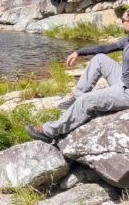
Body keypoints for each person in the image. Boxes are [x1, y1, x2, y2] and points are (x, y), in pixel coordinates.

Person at [25, 10, 129, 143]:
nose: (121, 23)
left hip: (126, 92)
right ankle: (77, 97)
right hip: (122, 81)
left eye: (123, 20)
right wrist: (79, 52)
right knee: (100, 59)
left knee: (86, 101)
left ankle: (49, 132)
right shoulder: (127, 40)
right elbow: (106, 48)